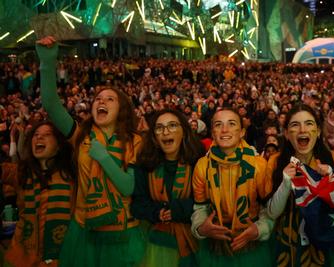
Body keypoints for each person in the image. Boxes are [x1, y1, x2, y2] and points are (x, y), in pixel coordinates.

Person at [36, 36, 144, 267]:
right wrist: (47, 62)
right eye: (97, 98)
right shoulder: (80, 136)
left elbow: (129, 187)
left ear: (122, 108)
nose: (100, 101)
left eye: (109, 98)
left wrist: (103, 156)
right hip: (84, 229)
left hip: (121, 230)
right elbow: (51, 104)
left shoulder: (135, 141)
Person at [190, 108, 274, 266]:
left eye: (231, 124)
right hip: (215, 246)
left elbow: (268, 209)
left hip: (251, 247)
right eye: (218, 125)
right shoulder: (202, 166)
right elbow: (200, 208)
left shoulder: (259, 165)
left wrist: (259, 229)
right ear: (212, 133)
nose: (224, 130)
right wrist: (201, 228)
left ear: (242, 132)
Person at [131, 109, 205, 266]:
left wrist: (176, 210)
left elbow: (207, 201)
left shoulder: (199, 162)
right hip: (155, 244)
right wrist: (158, 212)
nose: (165, 132)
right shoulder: (144, 165)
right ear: (155, 138)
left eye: (172, 125)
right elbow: (137, 204)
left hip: (194, 242)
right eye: (159, 128)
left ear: (184, 132)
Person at [266, 104, 334, 267]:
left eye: (309, 123)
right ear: (287, 134)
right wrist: (285, 184)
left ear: (317, 132)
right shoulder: (275, 161)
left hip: (320, 246)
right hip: (287, 245)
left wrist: (331, 176)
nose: (303, 130)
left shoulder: (330, 159)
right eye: (295, 125)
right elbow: (272, 213)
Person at [2, 121, 76, 267]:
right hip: (23, 258)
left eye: (47, 135)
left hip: (63, 258)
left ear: (59, 145)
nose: (39, 138)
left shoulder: (72, 174)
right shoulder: (20, 173)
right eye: (36, 135)